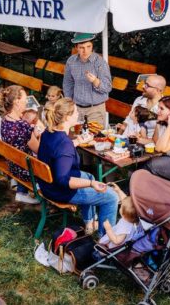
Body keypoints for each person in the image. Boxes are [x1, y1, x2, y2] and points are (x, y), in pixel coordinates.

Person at [38, 97, 118, 235]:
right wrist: (92, 184)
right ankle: (105, 241)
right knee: (111, 197)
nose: (78, 114)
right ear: (67, 117)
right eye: (75, 112)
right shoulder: (64, 144)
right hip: (59, 190)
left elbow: (57, 153)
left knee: (89, 175)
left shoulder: (49, 132)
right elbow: (63, 180)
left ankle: (89, 222)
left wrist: (76, 142)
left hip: (46, 184)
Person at [0, 85, 40, 204]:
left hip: (13, 166)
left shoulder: (5, 120)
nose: (27, 102)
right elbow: (39, 150)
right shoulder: (23, 126)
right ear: (16, 102)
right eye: (25, 99)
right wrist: (41, 135)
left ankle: (22, 192)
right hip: (27, 171)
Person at [63, 33, 112, 127]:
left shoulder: (100, 62)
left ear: (92, 46)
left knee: (94, 139)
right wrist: (69, 103)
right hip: (76, 109)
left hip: (95, 110)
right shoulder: (71, 61)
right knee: (76, 137)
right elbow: (68, 83)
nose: (85, 51)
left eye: (88, 46)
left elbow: (108, 87)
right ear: (76, 47)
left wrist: (95, 81)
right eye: (81, 47)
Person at [99, 183, 139, 249]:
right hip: (115, 232)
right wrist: (119, 191)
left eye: (121, 207)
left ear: (123, 215)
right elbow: (124, 200)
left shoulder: (126, 228)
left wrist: (108, 229)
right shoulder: (132, 217)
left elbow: (117, 241)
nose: (120, 206)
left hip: (110, 246)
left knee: (102, 247)